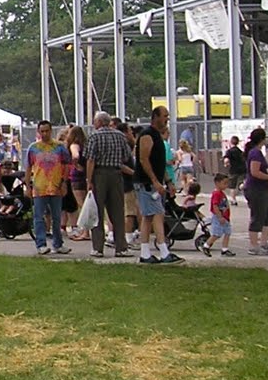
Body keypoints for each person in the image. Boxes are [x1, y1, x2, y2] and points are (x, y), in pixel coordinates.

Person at [135, 105, 183, 264]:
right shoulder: (147, 135)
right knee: (157, 214)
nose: (167, 119)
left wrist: (168, 181)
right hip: (146, 183)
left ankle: (146, 253)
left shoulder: (157, 137)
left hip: (153, 182)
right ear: (155, 116)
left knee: (149, 217)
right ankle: (163, 251)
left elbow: (159, 163)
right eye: (164, 116)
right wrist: (155, 181)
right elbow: (144, 160)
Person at [84, 111, 134, 258]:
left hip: (99, 175)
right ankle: (121, 247)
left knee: (98, 211)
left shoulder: (94, 136)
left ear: (98, 122)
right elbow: (126, 156)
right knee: (117, 211)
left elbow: (90, 160)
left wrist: (89, 180)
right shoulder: (120, 136)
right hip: (116, 175)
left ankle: (98, 248)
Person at [25, 120, 71, 256]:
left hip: (55, 186)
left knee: (57, 217)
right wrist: (28, 186)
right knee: (39, 217)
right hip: (40, 187)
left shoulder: (59, 147)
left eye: (47, 131)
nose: (44, 134)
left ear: (51, 131)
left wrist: (64, 183)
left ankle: (58, 243)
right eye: (42, 131)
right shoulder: (33, 148)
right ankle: (41, 243)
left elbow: (67, 165)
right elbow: (28, 168)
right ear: (38, 132)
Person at [242, 127, 268, 255]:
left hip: (263, 189)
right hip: (255, 189)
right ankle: (253, 245)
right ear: (262, 139)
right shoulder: (254, 153)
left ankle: (263, 242)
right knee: (258, 216)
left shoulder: (258, 153)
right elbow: (254, 172)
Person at [64, 124, 89, 240]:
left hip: (77, 177)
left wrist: (75, 164)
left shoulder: (74, 145)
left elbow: (75, 155)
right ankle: (86, 230)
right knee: (86, 204)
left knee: (82, 205)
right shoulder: (86, 145)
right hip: (85, 175)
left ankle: (85, 232)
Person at [201, 172, 235, 256]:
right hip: (218, 217)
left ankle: (225, 249)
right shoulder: (216, 194)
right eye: (224, 183)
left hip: (225, 217)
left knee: (227, 232)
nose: (226, 185)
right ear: (217, 183)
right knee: (217, 234)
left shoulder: (221, 193)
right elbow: (215, 206)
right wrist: (220, 217)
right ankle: (206, 245)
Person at [223, 136, 247, 205]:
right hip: (242, 170)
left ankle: (233, 200)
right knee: (240, 183)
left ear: (231, 142)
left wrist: (226, 164)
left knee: (232, 186)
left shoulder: (229, 151)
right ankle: (242, 187)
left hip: (233, 170)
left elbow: (226, 160)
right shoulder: (240, 152)